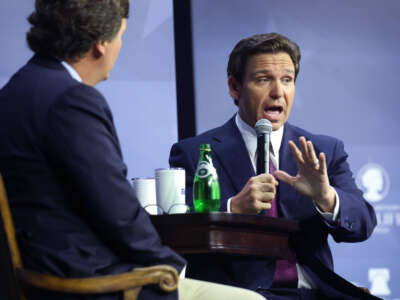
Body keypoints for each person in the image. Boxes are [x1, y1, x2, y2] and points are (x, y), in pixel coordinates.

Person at [0, 1, 266, 300]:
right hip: (88, 283)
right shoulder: (71, 100)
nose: (119, 46)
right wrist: (174, 269)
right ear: (101, 43)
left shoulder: (14, 93)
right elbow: (116, 213)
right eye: (122, 35)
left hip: (39, 276)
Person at [169, 33, 378, 300]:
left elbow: (363, 223)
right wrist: (232, 209)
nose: (278, 92)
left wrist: (326, 197)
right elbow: (181, 235)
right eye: (263, 79)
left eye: (287, 80)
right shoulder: (194, 153)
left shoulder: (323, 150)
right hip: (241, 294)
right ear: (235, 87)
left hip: (316, 292)